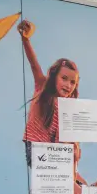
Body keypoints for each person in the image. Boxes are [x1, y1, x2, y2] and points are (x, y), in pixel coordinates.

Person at [19, 19, 80, 165]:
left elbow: (68, 134)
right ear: (54, 77)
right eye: (64, 79)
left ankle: (81, 183)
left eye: (72, 82)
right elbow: (34, 65)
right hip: (36, 148)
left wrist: (75, 148)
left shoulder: (69, 104)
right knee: (66, 175)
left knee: (72, 152)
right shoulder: (43, 86)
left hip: (54, 150)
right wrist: (25, 39)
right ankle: (79, 184)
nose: (68, 85)